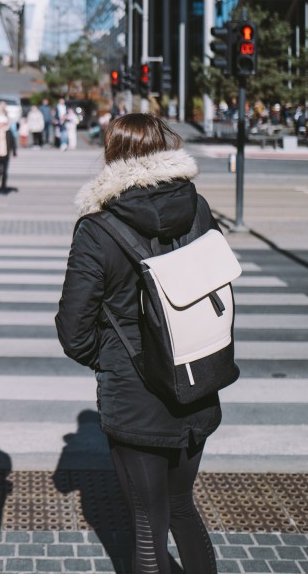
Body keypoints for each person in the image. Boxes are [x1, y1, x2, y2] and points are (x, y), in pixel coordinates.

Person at [55, 113, 221, 574]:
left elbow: (73, 330)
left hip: (135, 392)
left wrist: (110, 359)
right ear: (165, 148)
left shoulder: (98, 228)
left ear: (111, 155)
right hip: (198, 376)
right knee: (182, 505)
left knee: (148, 521)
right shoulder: (199, 208)